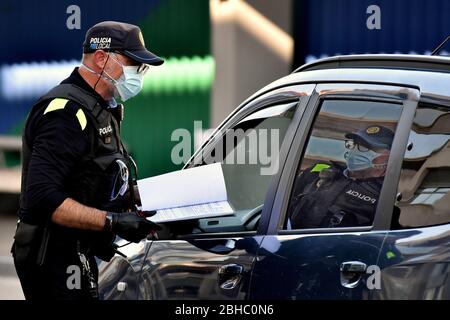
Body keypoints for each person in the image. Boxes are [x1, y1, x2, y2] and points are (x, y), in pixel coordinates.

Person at [11, 21, 164, 300]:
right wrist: (113, 221)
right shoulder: (65, 113)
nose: (139, 74)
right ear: (102, 57)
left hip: (81, 249)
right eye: (133, 64)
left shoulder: (104, 109)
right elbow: (44, 198)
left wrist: (145, 202)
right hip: (53, 257)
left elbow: (93, 178)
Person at [289, 125, 394, 229]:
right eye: (354, 144)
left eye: (365, 147)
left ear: (387, 156)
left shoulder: (386, 196)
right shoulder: (316, 171)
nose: (355, 151)